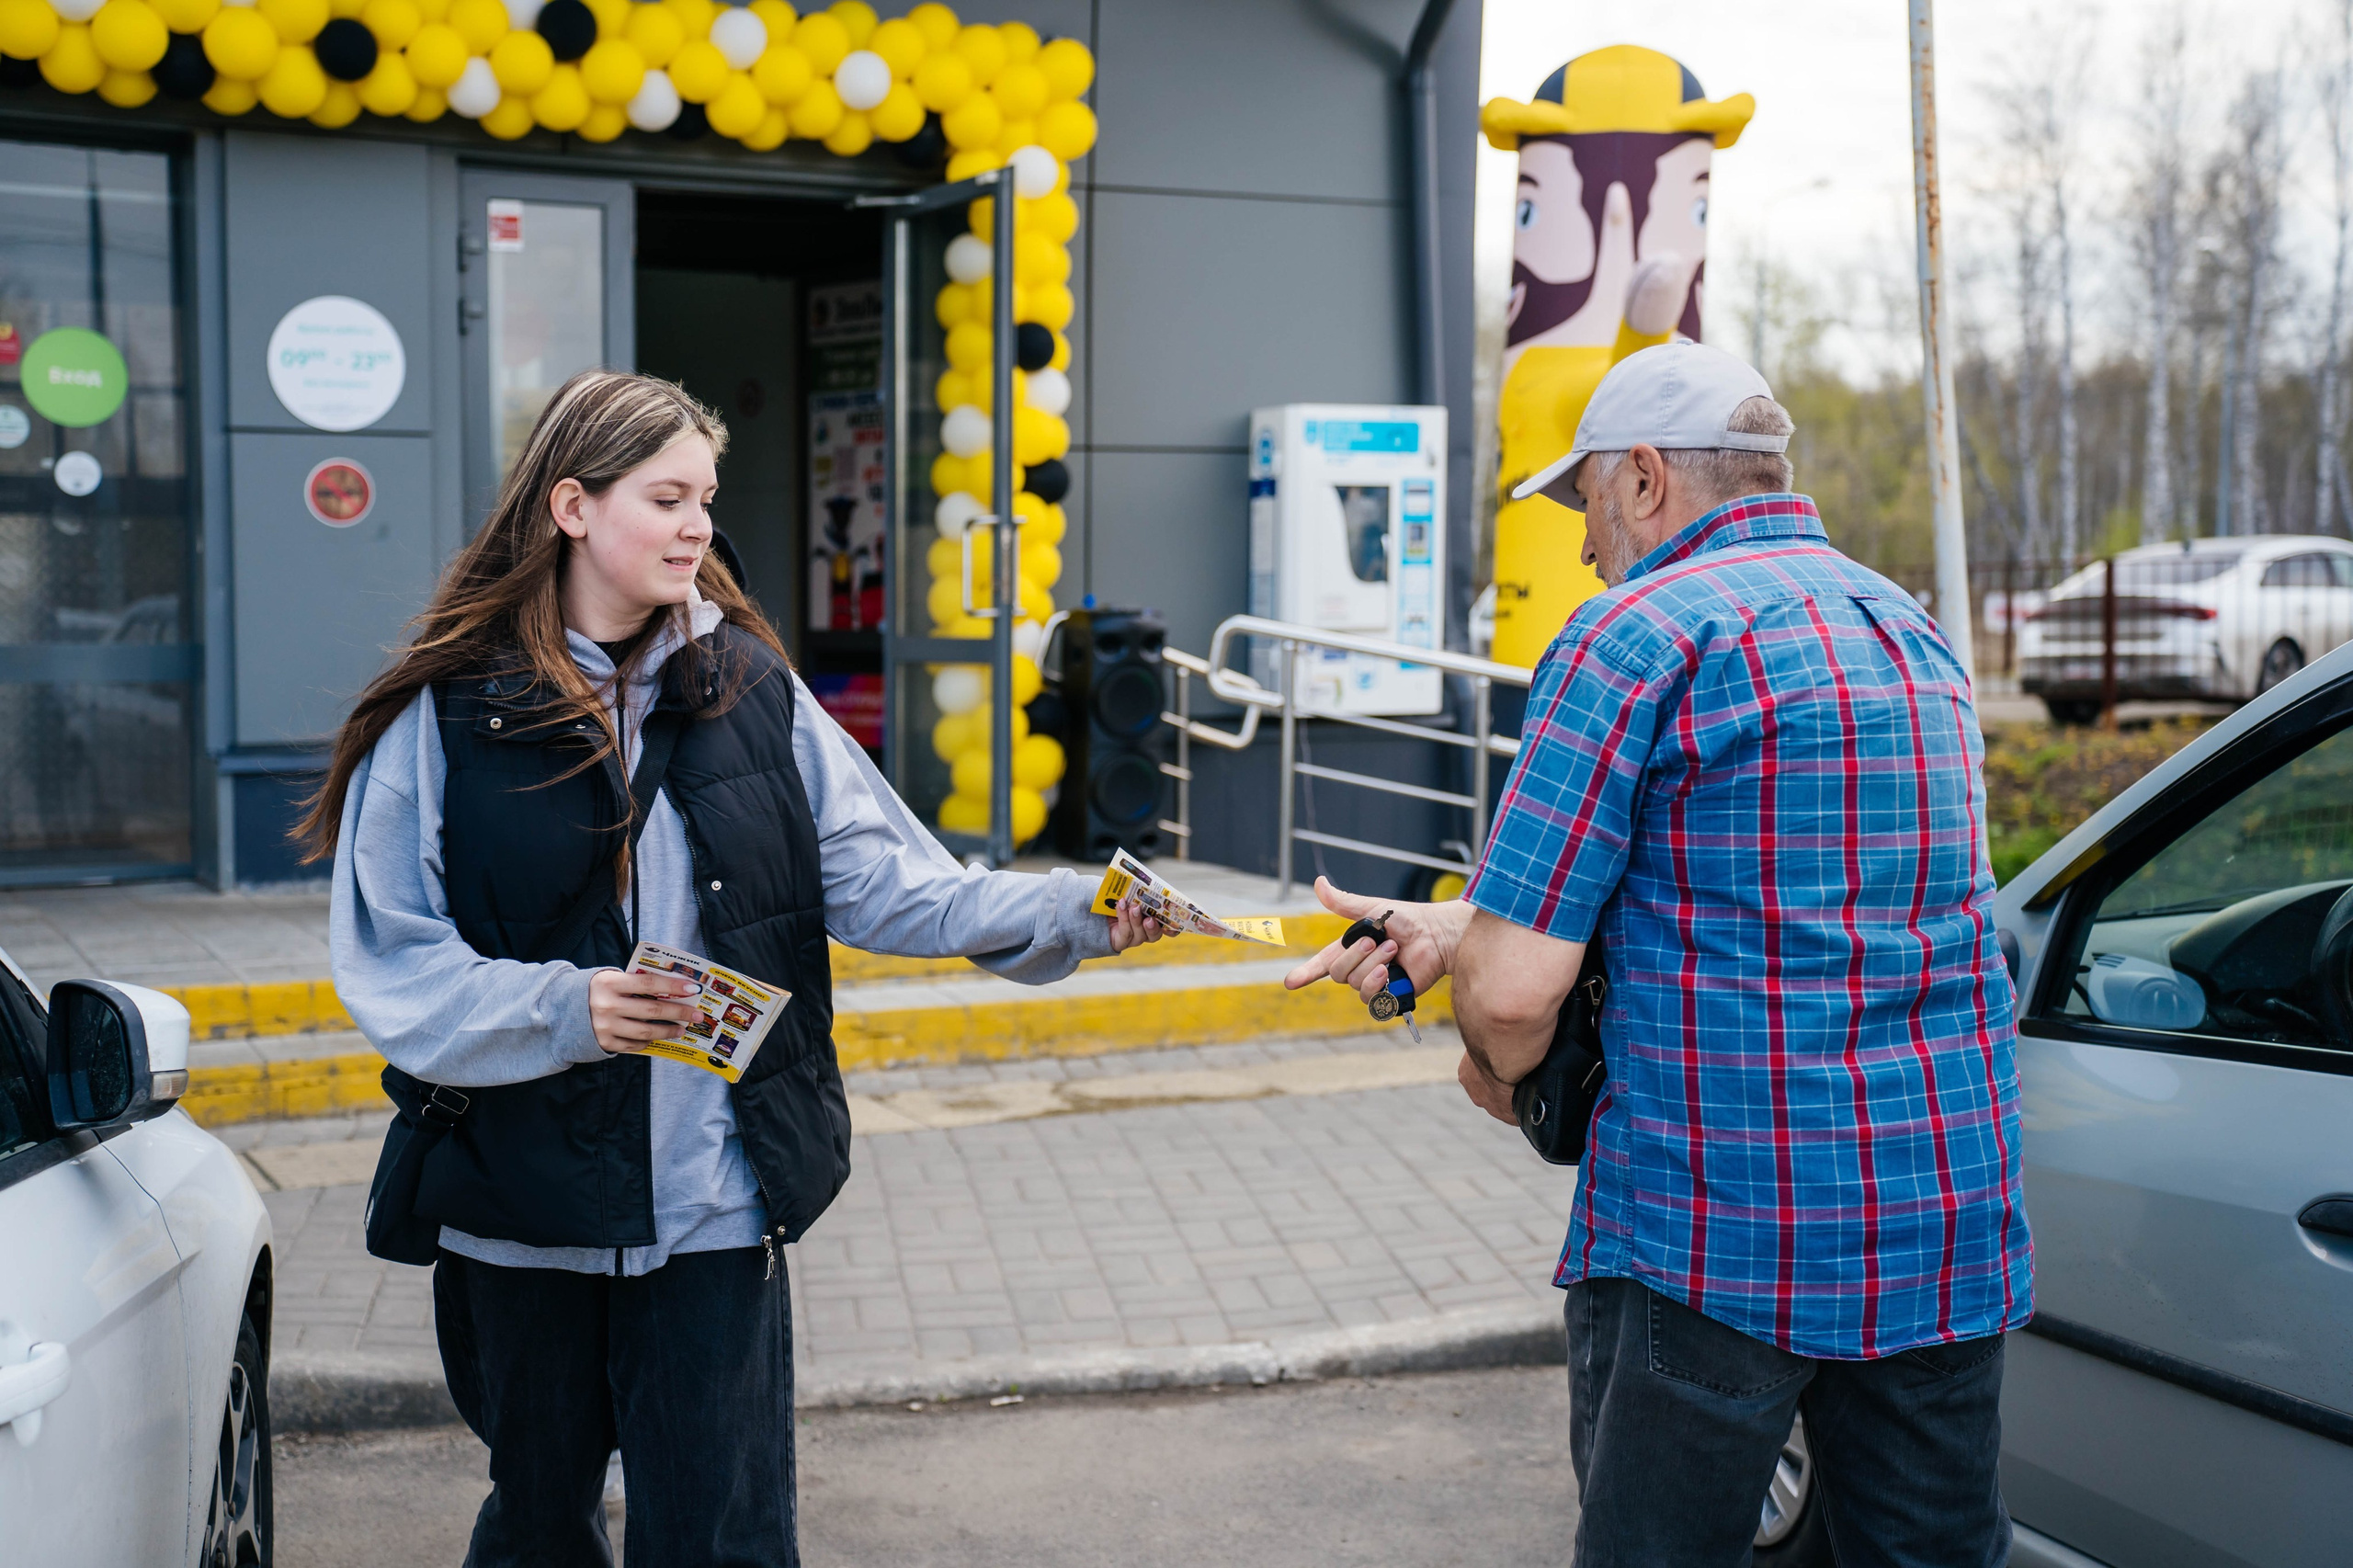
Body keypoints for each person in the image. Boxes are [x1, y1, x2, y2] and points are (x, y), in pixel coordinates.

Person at [298, 369, 1168, 1567]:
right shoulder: (449, 715)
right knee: (539, 1526)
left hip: (712, 1198)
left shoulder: (754, 688)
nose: (699, 524)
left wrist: (1082, 906)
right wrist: (572, 1007)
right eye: (666, 497)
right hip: (517, 1213)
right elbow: (394, 965)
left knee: (721, 1540)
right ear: (571, 507)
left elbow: (891, 882)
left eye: (704, 496)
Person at [1287, 342, 2030, 1567]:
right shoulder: (1912, 634)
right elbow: (1789, 903)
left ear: (1643, 478)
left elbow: (1520, 994)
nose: (1585, 545)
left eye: (1586, 504)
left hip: (1721, 1235)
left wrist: (1501, 1061)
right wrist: (1448, 930)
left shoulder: (1632, 635)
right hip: (1944, 1220)